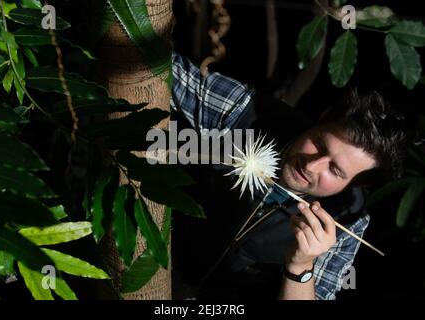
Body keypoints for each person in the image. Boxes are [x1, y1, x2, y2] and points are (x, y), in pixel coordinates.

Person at [170, 53, 408, 300]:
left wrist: (301, 268)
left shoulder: (347, 224)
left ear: (356, 184)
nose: (312, 166)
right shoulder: (245, 110)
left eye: (335, 170)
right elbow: (158, 69)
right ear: (323, 118)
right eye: (319, 144)